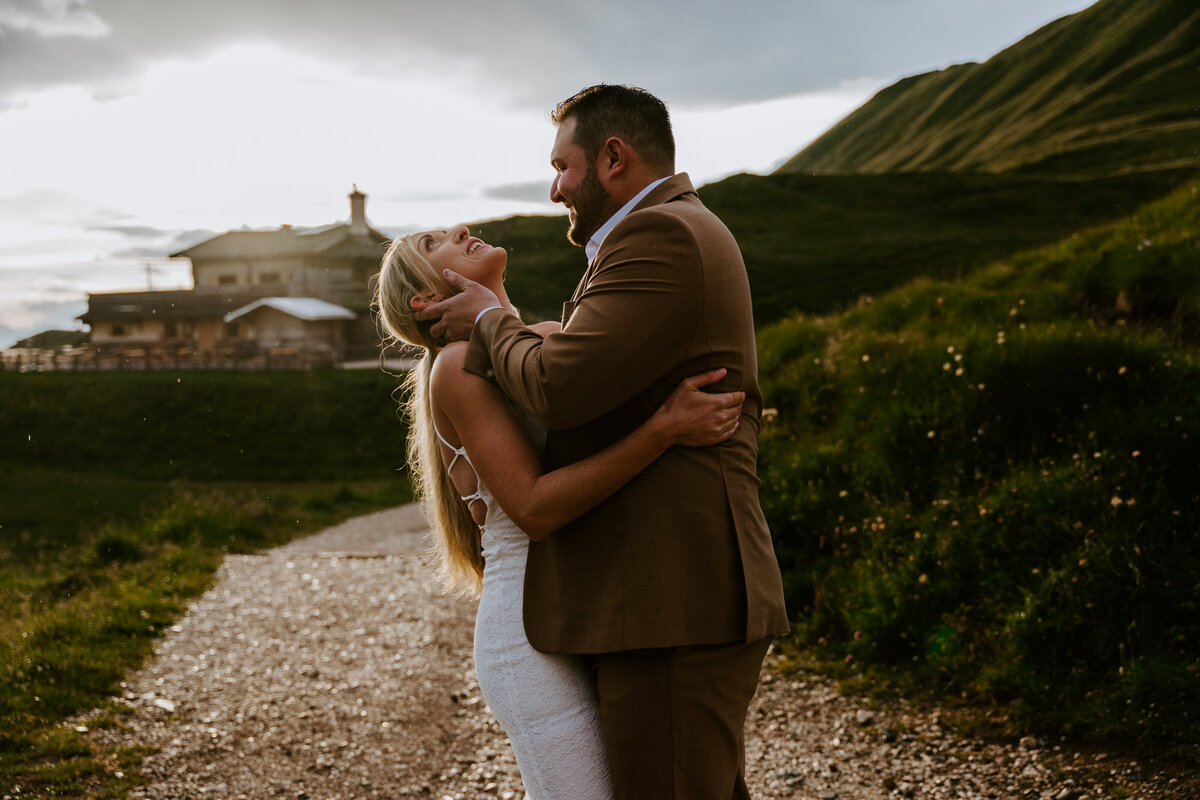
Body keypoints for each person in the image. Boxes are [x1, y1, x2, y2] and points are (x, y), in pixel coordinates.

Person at [414, 84, 790, 800]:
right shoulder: (653, 237)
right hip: (632, 604)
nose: (554, 189)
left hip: (669, 596)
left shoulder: (661, 234)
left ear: (613, 157)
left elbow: (560, 386)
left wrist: (493, 317)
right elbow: (564, 394)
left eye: (563, 167)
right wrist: (660, 427)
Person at [374, 226, 746, 799]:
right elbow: (534, 509)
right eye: (434, 243)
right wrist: (664, 429)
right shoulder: (455, 367)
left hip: (582, 608)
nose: (462, 230)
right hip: (527, 635)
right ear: (425, 300)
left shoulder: (545, 339)